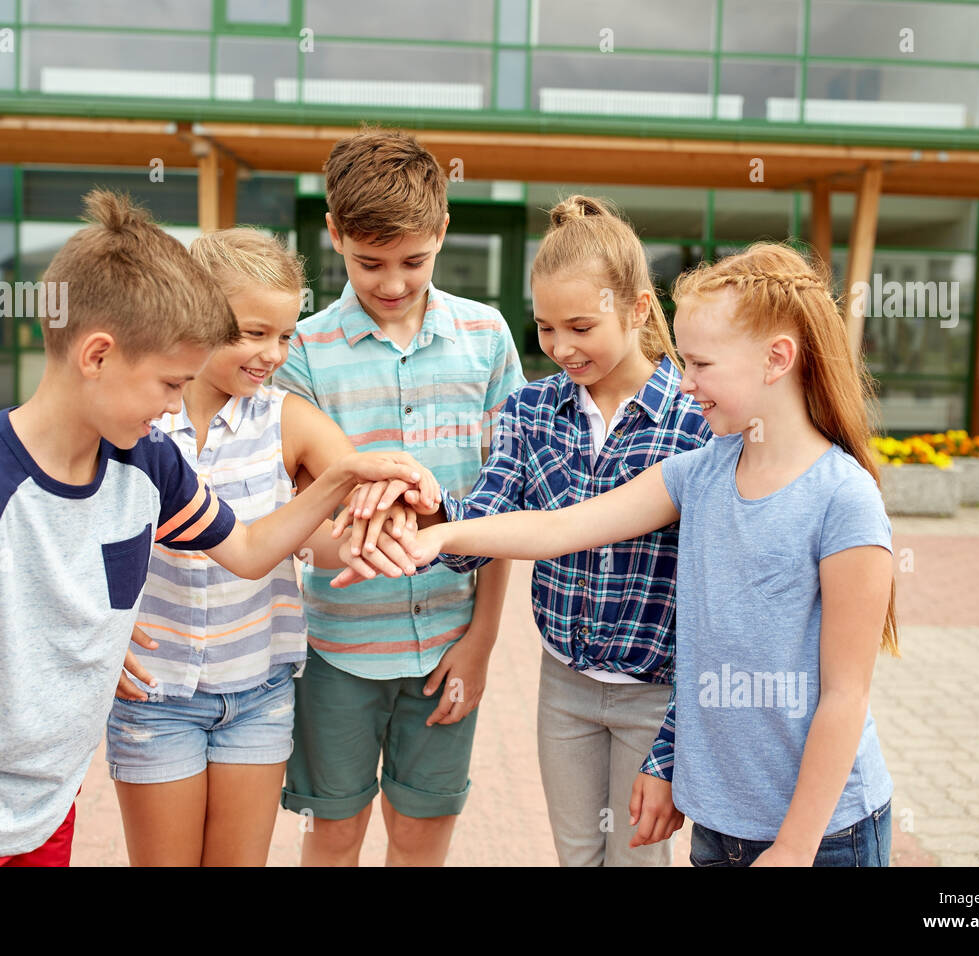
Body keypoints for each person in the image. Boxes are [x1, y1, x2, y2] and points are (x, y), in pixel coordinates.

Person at [0, 190, 429, 866]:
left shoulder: (148, 462)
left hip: (44, 810)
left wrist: (339, 479)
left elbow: (246, 550)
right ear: (96, 356)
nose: (177, 405)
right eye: (169, 384)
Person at [400, 242, 900, 867]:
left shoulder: (844, 498)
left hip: (825, 836)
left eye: (700, 364)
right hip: (721, 823)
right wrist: (442, 534)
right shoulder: (699, 474)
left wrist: (795, 847)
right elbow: (560, 529)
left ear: (777, 360)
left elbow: (844, 698)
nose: (685, 382)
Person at [335, 195, 711, 865]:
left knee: (636, 859)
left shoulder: (695, 421)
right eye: (544, 329)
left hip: (658, 690)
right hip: (563, 684)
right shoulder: (530, 411)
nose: (562, 349)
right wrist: (427, 514)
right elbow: (484, 522)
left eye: (581, 326)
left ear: (639, 310)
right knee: (576, 854)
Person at [106, 227, 428, 866]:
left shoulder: (287, 420)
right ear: (194, 313)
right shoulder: (136, 421)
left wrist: (388, 519)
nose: (273, 354)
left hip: (258, 694)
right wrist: (94, 638)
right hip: (157, 695)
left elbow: (345, 526)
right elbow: (75, 539)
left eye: (284, 335)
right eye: (253, 334)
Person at [272, 127, 525, 866]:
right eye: (367, 261)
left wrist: (480, 644)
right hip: (336, 652)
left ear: (443, 231)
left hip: (450, 646)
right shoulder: (303, 353)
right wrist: (349, 538)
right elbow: (299, 517)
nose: (390, 282)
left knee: (420, 842)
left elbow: (502, 513)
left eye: (413, 261)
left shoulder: (487, 338)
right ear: (334, 234)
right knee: (334, 838)